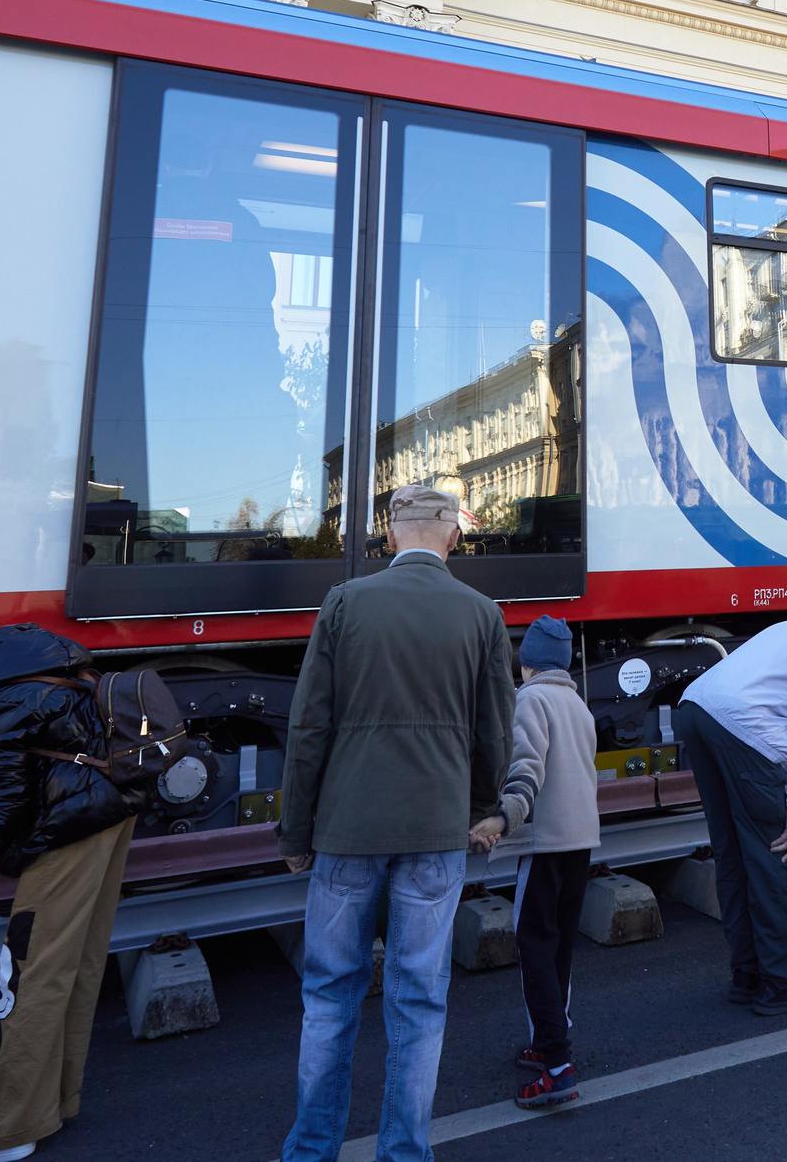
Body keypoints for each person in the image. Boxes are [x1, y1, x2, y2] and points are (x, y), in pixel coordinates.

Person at [277, 484, 516, 1162]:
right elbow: (493, 732)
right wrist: (480, 809)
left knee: (328, 994)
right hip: (438, 833)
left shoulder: (346, 603)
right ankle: (404, 1151)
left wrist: (297, 832)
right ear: (453, 535)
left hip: (347, 833)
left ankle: (312, 1149)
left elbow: (308, 727)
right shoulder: (481, 614)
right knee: (419, 1000)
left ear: (388, 537)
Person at [0, 625, 142, 1162]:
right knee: (76, 965)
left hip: (67, 832)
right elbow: (43, 761)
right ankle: (54, 1105)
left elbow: (2, 810)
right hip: (109, 818)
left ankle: (4, 1131)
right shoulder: (67, 676)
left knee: (28, 975)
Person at [672, 612, 787, 1017]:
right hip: (746, 729)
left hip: (696, 707)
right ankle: (783, 982)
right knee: (772, 853)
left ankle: (747, 975)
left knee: (731, 853)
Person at [492, 614, 597, 1112]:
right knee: (559, 950)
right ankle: (552, 1037)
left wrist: (505, 817)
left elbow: (526, 764)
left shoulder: (529, 699)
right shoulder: (577, 704)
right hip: (580, 842)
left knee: (533, 945)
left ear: (526, 662)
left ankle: (556, 1065)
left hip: (544, 842)